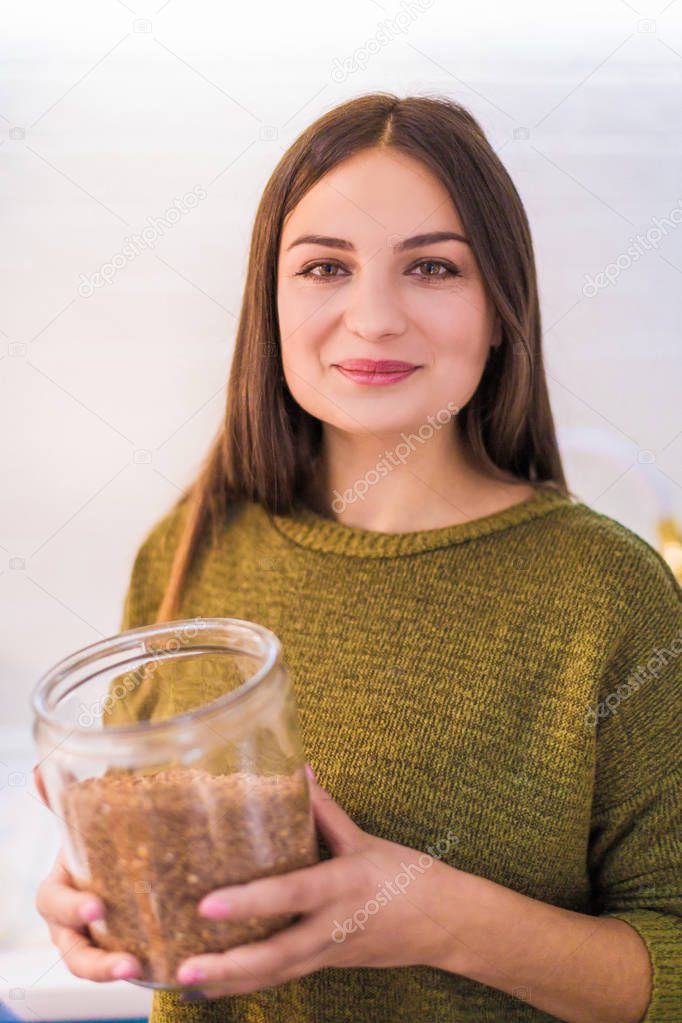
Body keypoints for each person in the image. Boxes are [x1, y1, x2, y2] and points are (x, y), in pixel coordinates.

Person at [35, 92, 681, 1023]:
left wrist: (433, 917)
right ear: (273, 303)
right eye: (325, 267)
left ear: (502, 310)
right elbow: (160, 859)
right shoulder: (188, 549)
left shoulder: (609, 593)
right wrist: (94, 898)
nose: (373, 318)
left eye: (431, 267)